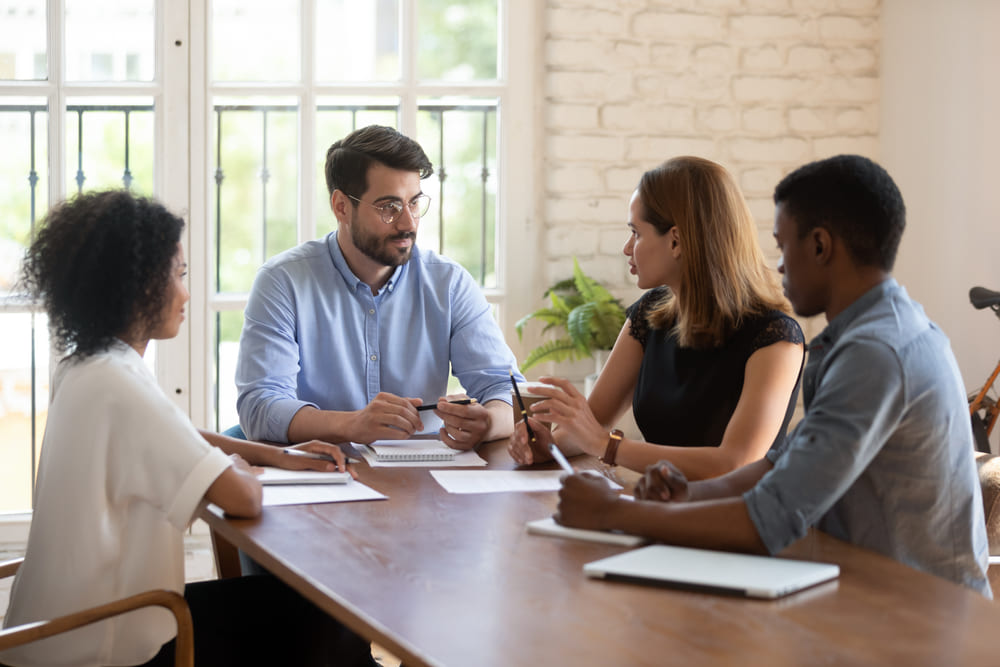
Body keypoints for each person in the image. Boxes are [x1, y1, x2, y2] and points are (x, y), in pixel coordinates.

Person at [553, 155, 992, 597]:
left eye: (783, 247)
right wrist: (687, 495)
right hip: (866, 590)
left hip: (922, 616)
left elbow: (772, 516)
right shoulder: (865, 335)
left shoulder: (876, 354)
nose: (778, 266)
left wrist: (616, 511)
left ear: (820, 247)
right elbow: (781, 467)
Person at [0, 190, 378, 667]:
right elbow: (244, 498)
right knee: (324, 615)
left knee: (308, 614)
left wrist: (275, 455)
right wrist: (238, 463)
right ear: (136, 286)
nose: (186, 292)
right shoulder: (120, 384)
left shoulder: (87, 366)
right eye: (178, 275)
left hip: (50, 635)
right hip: (109, 647)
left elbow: (177, 433)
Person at [510, 156, 804, 480]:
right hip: (660, 510)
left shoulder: (776, 336)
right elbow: (592, 426)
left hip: (729, 523)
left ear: (676, 240)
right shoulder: (649, 315)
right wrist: (547, 445)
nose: (626, 248)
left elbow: (734, 463)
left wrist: (607, 446)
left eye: (636, 233)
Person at [235, 124, 522, 450]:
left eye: (414, 203)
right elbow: (259, 407)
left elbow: (507, 391)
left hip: (425, 483)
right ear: (341, 206)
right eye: (389, 207)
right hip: (323, 479)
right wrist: (351, 424)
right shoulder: (282, 282)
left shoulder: (448, 283)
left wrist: (488, 422)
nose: (408, 223)